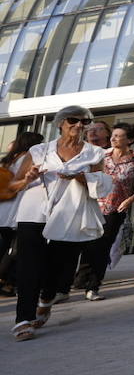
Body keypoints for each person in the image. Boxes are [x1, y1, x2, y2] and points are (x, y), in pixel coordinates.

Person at [11, 106, 112, 341]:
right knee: (29, 266)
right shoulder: (39, 150)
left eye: (84, 121)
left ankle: (46, 298)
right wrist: (28, 178)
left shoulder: (94, 153)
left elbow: (102, 184)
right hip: (34, 211)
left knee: (60, 266)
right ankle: (23, 320)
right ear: (60, 123)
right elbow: (15, 184)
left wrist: (78, 176)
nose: (78, 125)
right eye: (73, 120)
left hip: (70, 213)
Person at [72, 122, 134, 301]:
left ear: (129, 140)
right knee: (86, 245)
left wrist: (131, 199)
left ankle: (93, 286)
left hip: (115, 210)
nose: (112, 138)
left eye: (118, 136)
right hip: (91, 206)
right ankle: (78, 280)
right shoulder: (101, 156)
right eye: (112, 135)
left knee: (102, 249)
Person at [0, 133, 44, 300]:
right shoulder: (27, 158)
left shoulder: (8, 160)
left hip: (4, 208)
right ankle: (6, 280)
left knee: (5, 245)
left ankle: (7, 280)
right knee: (16, 249)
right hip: (17, 208)